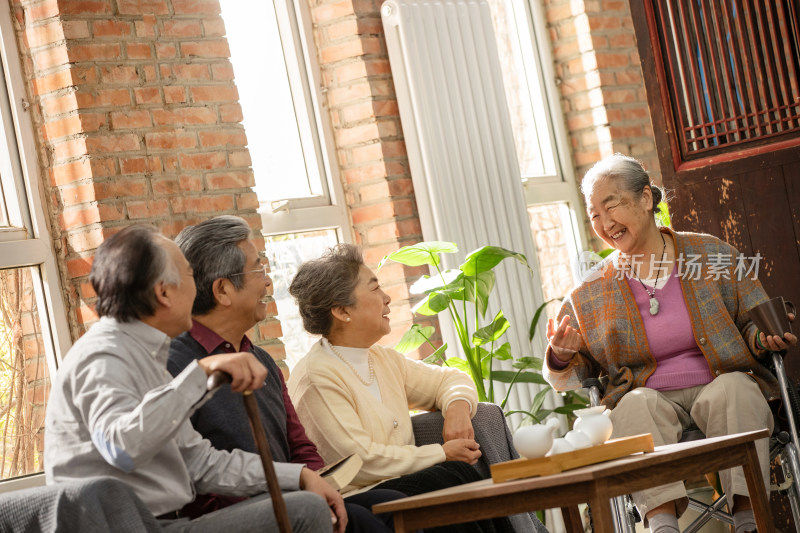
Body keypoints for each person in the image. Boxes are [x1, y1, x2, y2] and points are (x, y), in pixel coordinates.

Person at [543, 153, 797, 533]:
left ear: (646, 199)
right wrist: (561, 356)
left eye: (611, 206)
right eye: (594, 214)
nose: (605, 223)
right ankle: (662, 526)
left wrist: (764, 337)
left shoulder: (709, 254)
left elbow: (752, 321)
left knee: (737, 391)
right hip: (651, 399)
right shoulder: (590, 292)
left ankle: (749, 519)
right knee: (631, 406)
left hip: (720, 383)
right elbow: (567, 378)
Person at [44, 225, 347, 532]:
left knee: (310, 503)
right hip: (125, 527)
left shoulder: (145, 356)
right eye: (189, 276)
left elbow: (200, 463)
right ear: (164, 292)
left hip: (156, 524)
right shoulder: (104, 354)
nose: (198, 289)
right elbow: (122, 448)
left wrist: (299, 476)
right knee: (304, 511)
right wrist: (201, 374)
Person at [167, 216, 404, 532]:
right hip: (233, 517)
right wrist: (297, 496)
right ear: (223, 290)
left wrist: (319, 483)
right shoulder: (177, 367)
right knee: (360, 520)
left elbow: (300, 447)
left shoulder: (261, 358)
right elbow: (193, 479)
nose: (267, 282)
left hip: (292, 496)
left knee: (392, 503)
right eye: (257, 270)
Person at [287, 244, 525, 533]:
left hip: (401, 484)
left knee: (454, 476)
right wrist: (441, 452)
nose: (387, 298)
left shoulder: (382, 359)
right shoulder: (316, 376)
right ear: (341, 311)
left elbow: (449, 379)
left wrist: (457, 411)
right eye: (374, 289)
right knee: (447, 477)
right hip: (356, 497)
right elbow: (358, 461)